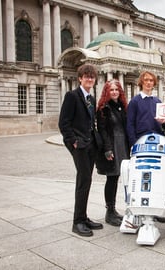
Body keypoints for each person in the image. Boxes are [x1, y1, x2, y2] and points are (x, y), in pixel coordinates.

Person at [58, 64, 103, 237]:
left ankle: (83, 217)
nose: (89, 79)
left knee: (87, 180)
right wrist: (73, 141)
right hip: (80, 145)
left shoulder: (91, 98)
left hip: (90, 144)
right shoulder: (72, 96)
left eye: (92, 77)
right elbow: (64, 122)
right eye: (86, 76)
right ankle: (77, 222)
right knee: (83, 180)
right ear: (80, 78)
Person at [126, 70, 165, 223]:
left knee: (157, 177)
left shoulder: (158, 101)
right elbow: (130, 124)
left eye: (151, 80)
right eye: (146, 80)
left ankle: (157, 210)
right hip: (141, 144)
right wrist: (133, 144)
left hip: (157, 143)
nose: (149, 83)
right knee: (143, 178)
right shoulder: (135, 102)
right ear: (141, 83)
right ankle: (139, 209)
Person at [96, 80, 129, 226]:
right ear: (106, 92)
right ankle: (109, 211)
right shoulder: (103, 108)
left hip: (123, 145)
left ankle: (114, 210)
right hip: (112, 145)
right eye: (111, 90)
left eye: (117, 89)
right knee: (112, 178)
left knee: (118, 177)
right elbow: (103, 130)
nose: (114, 92)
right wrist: (107, 149)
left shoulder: (123, 107)